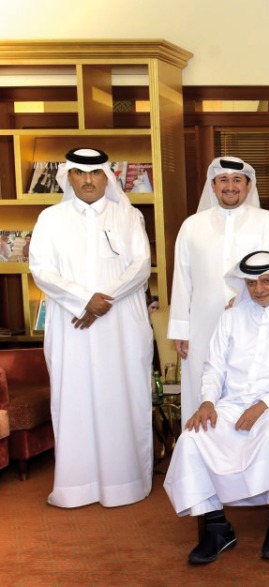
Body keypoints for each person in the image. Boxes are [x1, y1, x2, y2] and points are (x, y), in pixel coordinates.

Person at [162, 251, 269, 565]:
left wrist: (264, 404)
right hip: (232, 403)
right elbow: (214, 366)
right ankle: (217, 527)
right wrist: (207, 401)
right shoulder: (231, 317)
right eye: (251, 283)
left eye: (266, 281)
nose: (259, 289)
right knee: (193, 438)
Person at [28, 147, 153, 508]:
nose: (87, 180)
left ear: (106, 177)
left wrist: (101, 301)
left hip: (120, 326)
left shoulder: (127, 216)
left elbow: (140, 267)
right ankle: (76, 487)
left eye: (95, 173)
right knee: (75, 397)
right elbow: (41, 270)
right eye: (80, 174)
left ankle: (125, 483)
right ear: (68, 177)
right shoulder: (50, 218)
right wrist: (84, 299)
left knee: (122, 396)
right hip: (72, 326)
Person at [168, 157, 269, 418]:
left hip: (253, 319)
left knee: (247, 381)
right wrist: (180, 328)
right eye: (223, 180)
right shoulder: (191, 225)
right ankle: (199, 450)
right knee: (201, 382)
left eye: (236, 180)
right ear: (213, 185)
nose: (230, 186)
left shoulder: (268, 222)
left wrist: (244, 296)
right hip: (202, 324)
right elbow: (182, 279)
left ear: (248, 186)